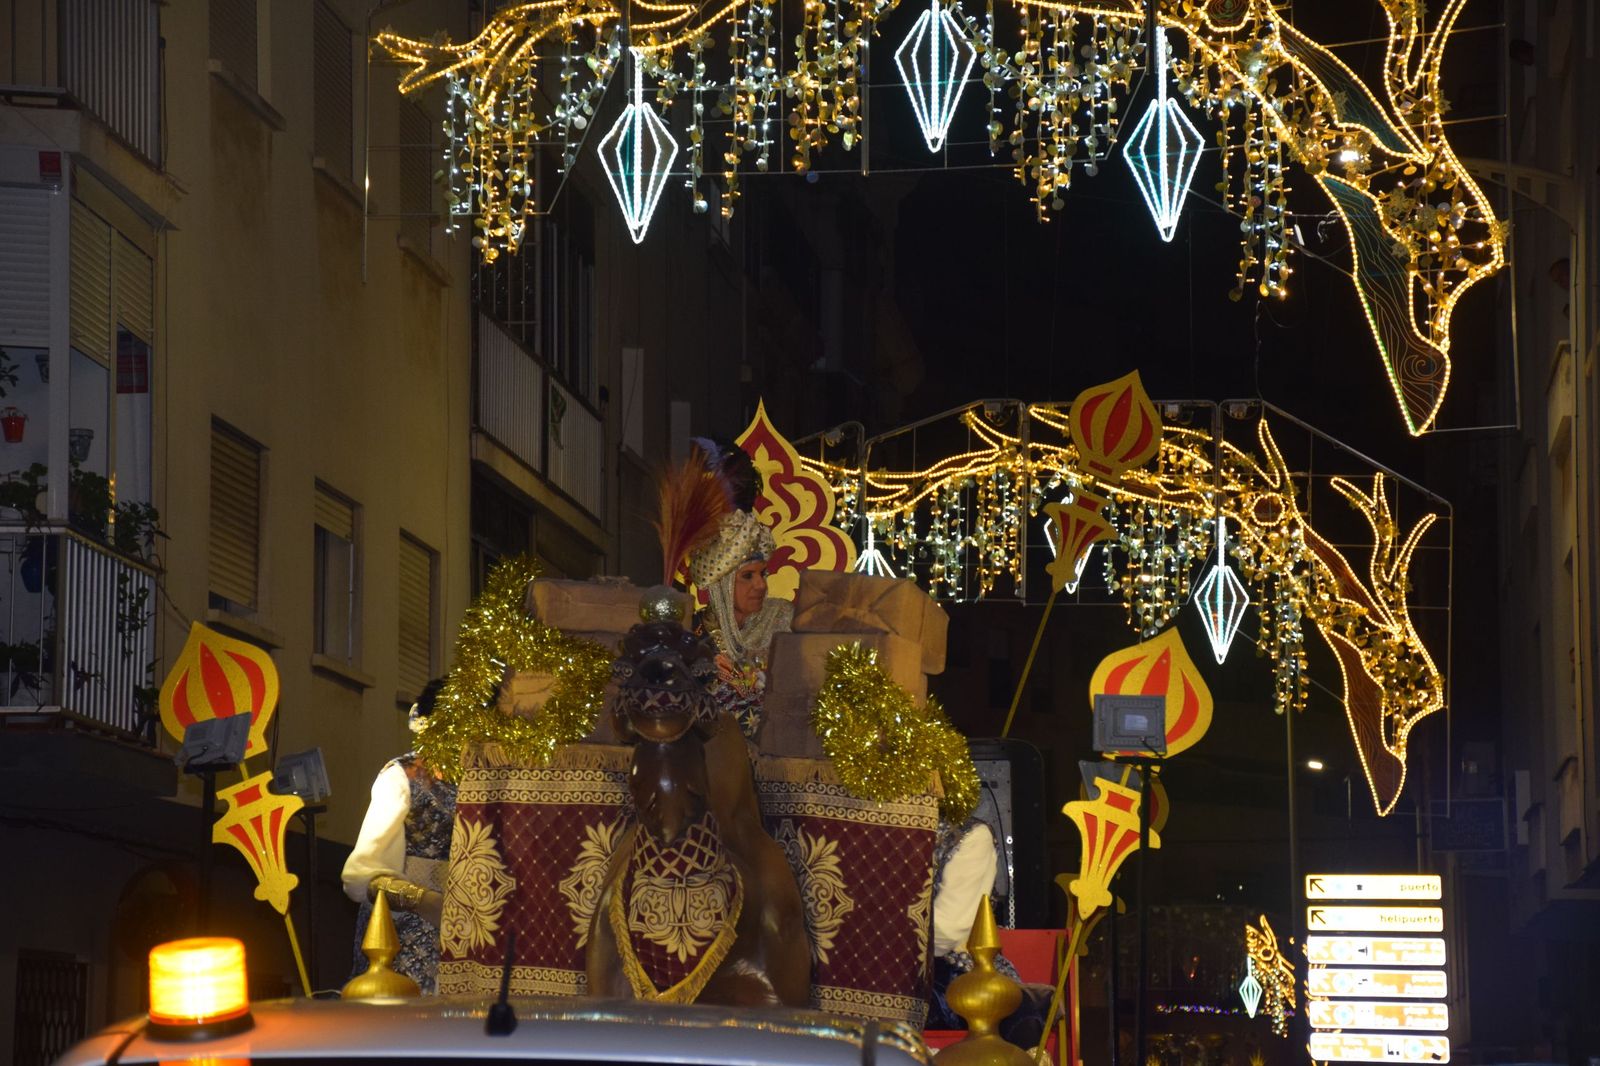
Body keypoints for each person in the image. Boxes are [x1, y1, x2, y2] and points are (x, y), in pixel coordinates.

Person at [342, 678, 456, 993]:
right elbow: (360, 874)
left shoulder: (485, 782)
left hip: (471, 935)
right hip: (410, 936)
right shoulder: (403, 776)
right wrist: (424, 901)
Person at [686, 442, 792, 739]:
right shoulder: (693, 634)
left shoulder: (781, 619)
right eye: (748, 576)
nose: (761, 585)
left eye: (763, 574)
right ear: (721, 585)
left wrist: (738, 680)